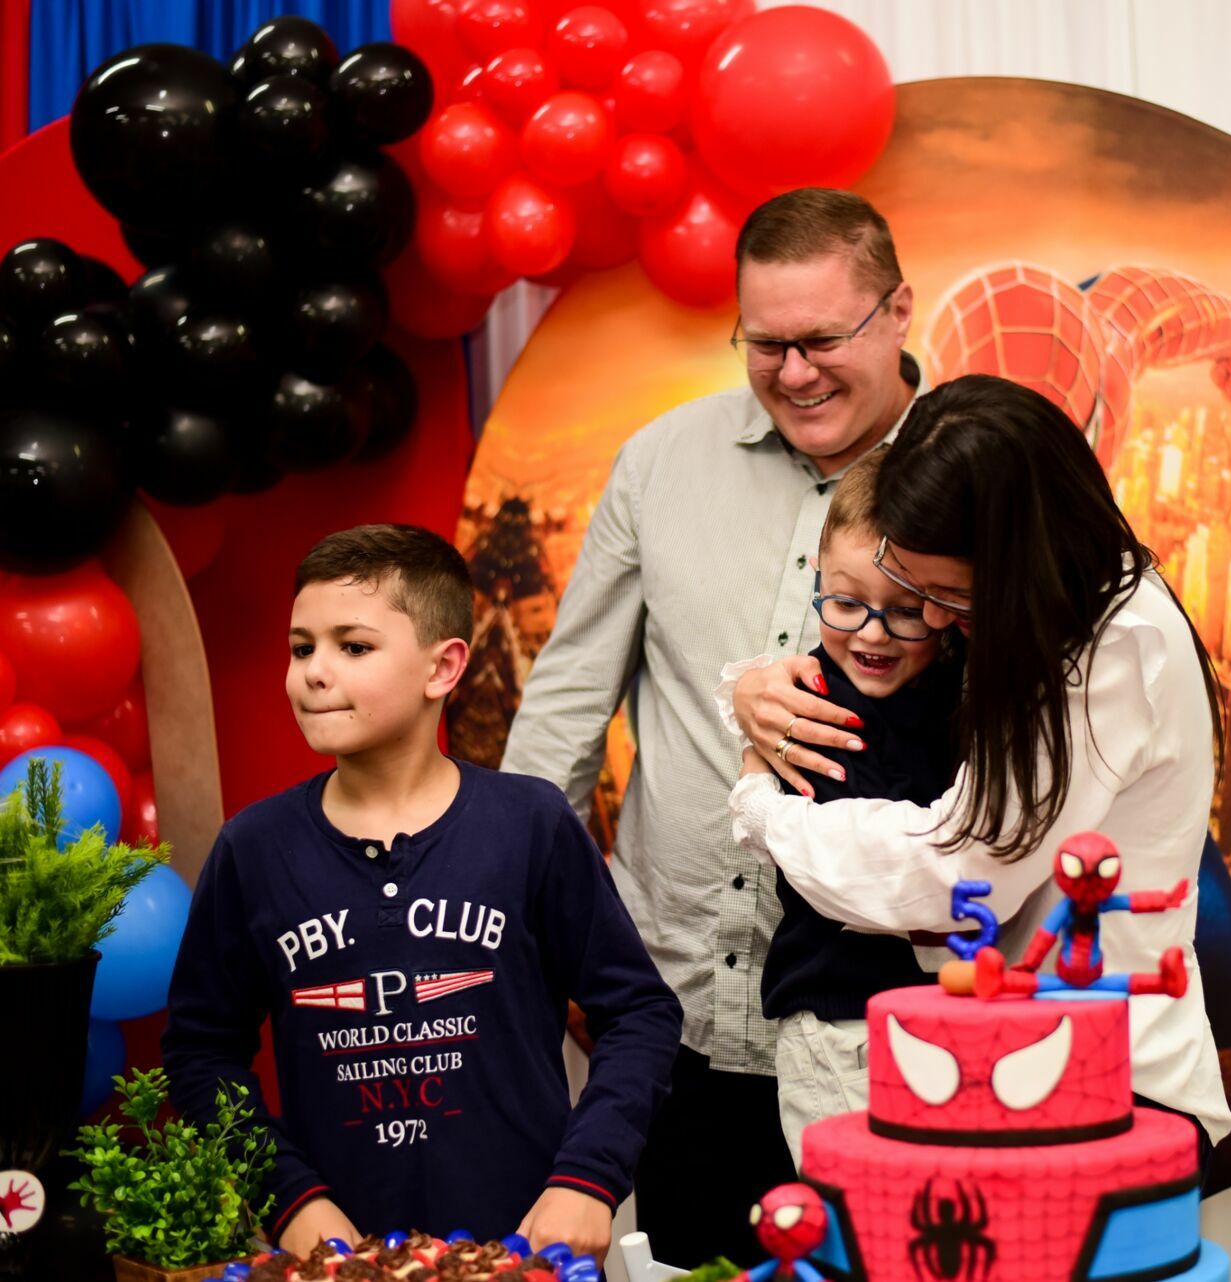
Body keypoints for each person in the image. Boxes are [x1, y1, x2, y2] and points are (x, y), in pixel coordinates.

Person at [500, 189, 927, 1263]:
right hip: (674, 1005)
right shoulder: (659, 460)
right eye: (766, 343)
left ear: (899, 313)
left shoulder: (978, 476)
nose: (795, 373)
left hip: (895, 1025)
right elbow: (565, 702)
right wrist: (537, 931)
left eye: (824, 339)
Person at [727, 374, 1231, 1160]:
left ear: (1013, 560)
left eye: (948, 596)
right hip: (1024, 1062)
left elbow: (954, 874)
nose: (931, 620)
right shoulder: (1055, 611)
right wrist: (760, 688)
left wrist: (763, 803)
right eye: (913, 588)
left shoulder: (1109, 653)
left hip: (1102, 1084)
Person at [163, 525, 680, 1257]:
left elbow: (640, 1012)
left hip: (526, 1255)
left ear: (443, 668)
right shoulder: (254, 848)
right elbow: (199, 1051)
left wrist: (587, 1179)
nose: (313, 671)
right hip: (342, 1261)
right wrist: (287, 1198)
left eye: (354, 646)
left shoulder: (529, 825)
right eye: (302, 646)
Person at [752, 449, 962, 1164]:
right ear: (816, 577)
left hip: (949, 1024)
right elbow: (875, 869)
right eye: (846, 603)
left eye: (906, 611)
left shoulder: (961, 687)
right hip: (841, 1022)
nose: (872, 633)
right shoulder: (806, 708)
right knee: (860, 1232)